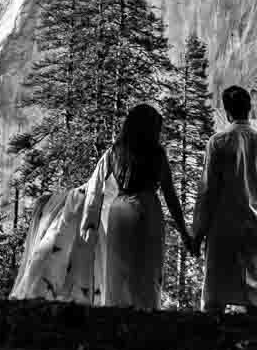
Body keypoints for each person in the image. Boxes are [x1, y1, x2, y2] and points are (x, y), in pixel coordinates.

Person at [81, 103, 193, 309]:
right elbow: (170, 195)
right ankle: (147, 319)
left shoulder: (114, 152)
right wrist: (184, 233)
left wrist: (90, 223)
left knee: (118, 272)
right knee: (147, 272)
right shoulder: (157, 155)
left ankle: (116, 319)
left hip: (119, 212)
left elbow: (94, 188)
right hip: (147, 210)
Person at [192, 84, 257, 315]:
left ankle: (213, 348)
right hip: (255, 227)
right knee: (255, 299)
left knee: (215, 297)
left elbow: (207, 192)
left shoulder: (218, 142)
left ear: (227, 112)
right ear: (249, 109)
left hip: (223, 230)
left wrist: (197, 233)